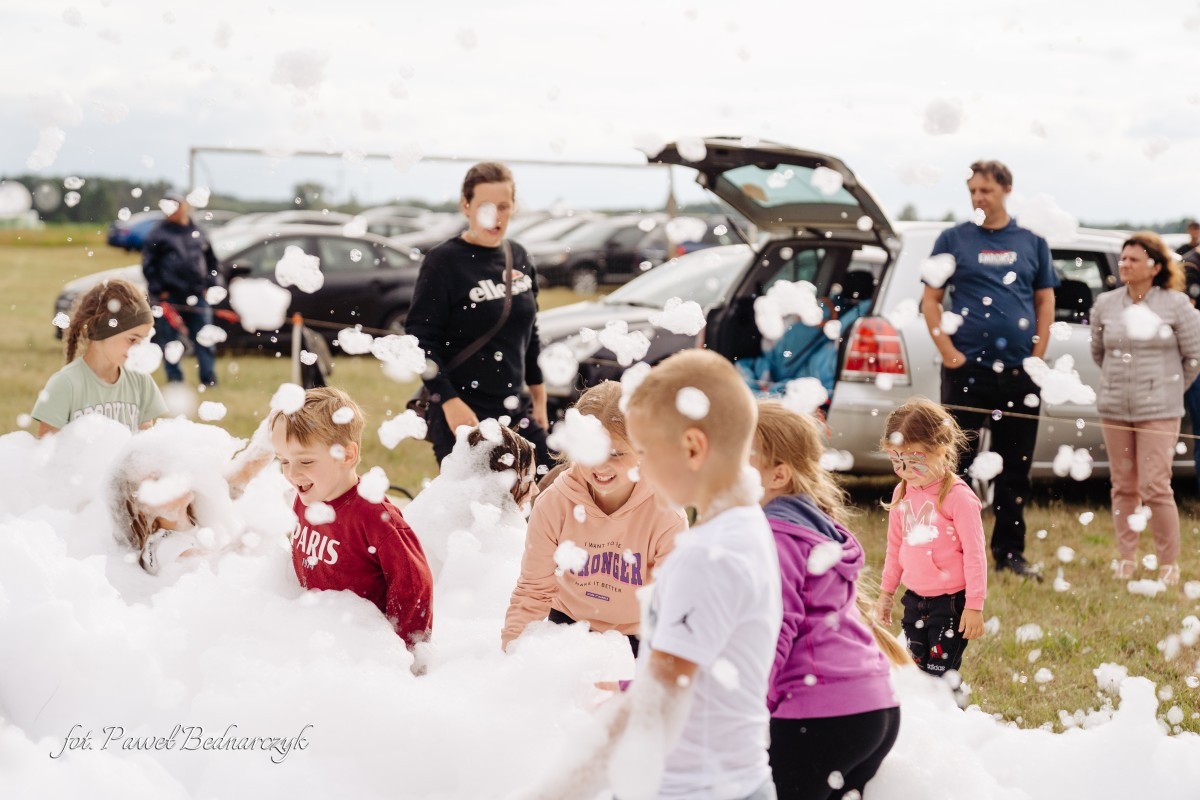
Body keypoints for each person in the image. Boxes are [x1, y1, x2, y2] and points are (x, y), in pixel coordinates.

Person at [527, 349, 782, 800]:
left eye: (644, 451)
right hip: (734, 778)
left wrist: (560, 791)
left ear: (691, 448)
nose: (639, 467)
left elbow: (660, 698)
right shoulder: (745, 527)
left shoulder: (707, 555)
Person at [751, 400, 900, 800]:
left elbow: (773, 628)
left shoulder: (775, 537)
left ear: (777, 475)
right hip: (874, 708)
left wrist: (749, 708)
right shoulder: (814, 527)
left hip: (820, 714)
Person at [920, 159, 1058, 579]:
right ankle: (951, 552)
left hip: (1019, 374)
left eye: (987, 191)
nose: (979, 198)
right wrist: (948, 353)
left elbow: (1044, 303)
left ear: (1006, 191)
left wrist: (1037, 353)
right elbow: (931, 299)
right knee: (953, 465)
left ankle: (1009, 553)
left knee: (1014, 468)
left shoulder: (1031, 241)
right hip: (967, 374)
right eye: (973, 191)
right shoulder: (953, 239)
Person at [501, 381, 686, 657]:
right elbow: (532, 592)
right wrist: (510, 655)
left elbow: (673, 607)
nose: (601, 464)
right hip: (566, 626)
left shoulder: (666, 513)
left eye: (616, 453)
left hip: (634, 637)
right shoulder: (555, 503)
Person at [406, 162, 552, 472]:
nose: (495, 216)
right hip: (463, 411)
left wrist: (539, 400)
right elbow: (420, 340)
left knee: (551, 485)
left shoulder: (520, 256)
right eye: (485, 206)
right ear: (466, 205)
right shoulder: (444, 262)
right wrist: (448, 402)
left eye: (503, 206)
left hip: (515, 407)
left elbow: (531, 336)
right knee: (476, 513)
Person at [269, 387, 433, 647]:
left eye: (306, 461)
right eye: (284, 461)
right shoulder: (304, 497)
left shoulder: (375, 517)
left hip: (362, 644)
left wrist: (407, 652)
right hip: (315, 633)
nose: (292, 473)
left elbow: (414, 586)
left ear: (346, 455)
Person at [1090, 232, 1200, 586]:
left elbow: (1193, 356)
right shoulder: (1106, 303)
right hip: (1114, 407)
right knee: (1123, 485)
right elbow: (1098, 351)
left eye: (1133, 259)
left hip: (1160, 408)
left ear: (1154, 266)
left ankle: (1169, 562)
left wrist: (1168, 390)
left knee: (1155, 485)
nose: (1124, 265)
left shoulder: (1176, 304)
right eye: (1123, 259)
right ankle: (1126, 557)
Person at [874, 398, 987, 680]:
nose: (905, 470)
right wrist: (887, 593)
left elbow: (975, 554)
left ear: (940, 450)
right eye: (896, 461)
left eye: (914, 460)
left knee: (941, 676)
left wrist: (974, 605)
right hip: (914, 601)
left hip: (949, 604)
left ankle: (955, 720)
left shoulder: (958, 498)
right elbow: (895, 547)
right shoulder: (902, 493)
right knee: (915, 673)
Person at [108, 419, 275, 574]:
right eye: (158, 479)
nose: (171, 476)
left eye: (169, 467)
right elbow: (211, 569)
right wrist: (256, 531)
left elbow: (239, 477)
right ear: (141, 507)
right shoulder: (162, 545)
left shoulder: (201, 514)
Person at [405, 420, 539, 582]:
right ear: (503, 483)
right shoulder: (496, 546)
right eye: (529, 480)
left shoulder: (428, 517)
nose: (535, 490)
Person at [33, 278, 167, 438]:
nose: (138, 349)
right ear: (102, 330)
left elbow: (145, 446)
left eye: (143, 340)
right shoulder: (65, 384)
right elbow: (46, 451)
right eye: (132, 339)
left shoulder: (141, 381)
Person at [142, 189, 221, 387]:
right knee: (170, 342)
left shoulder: (199, 232)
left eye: (176, 204)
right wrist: (160, 290)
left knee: (205, 339)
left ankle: (208, 379)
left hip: (198, 296)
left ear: (186, 206)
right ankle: (175, 381)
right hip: (170, 298)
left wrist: (211, 285)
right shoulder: (158, 234)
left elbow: (212, 263)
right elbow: (148, 265)